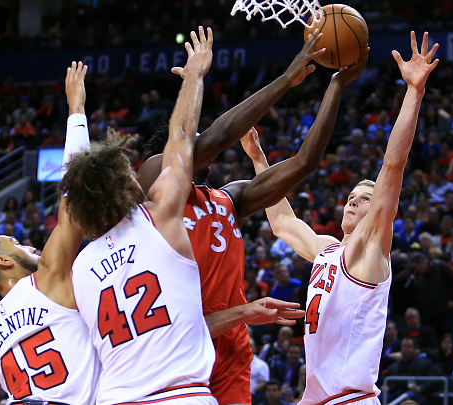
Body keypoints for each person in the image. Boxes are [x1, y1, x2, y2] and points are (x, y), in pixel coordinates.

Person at [137, 31, 366, 405]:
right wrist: (286, 78)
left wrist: (336, 87)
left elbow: (304, 163)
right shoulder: (154, 177)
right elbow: (220, 135)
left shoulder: (231, 198)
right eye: (195, 143)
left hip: (230, 342)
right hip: (177, 334)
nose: (206, 149)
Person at [246, 32, 439, 405]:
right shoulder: (326, 249)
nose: (352, 201)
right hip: (316, 398)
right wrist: (258, 158)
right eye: (350, 196)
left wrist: (414, 92)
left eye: (364, 198)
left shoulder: (370, 250)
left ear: (378, 210)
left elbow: (393, 165)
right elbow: (282, 222)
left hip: (349, 398)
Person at [61, 27, 217, 404]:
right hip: (181, 394)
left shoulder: (79, 267)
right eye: (130, 174)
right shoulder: (157, 219)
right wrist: (194, 77)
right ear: (126, 187)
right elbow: (180, 138)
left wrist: (76, 112)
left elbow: (72, 192)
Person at [0, 61, 101, 404]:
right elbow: (73, 196)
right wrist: (76, 111)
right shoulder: (47, 281)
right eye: (16, 243)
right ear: (3, 261)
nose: (30, 246)